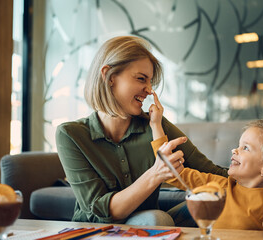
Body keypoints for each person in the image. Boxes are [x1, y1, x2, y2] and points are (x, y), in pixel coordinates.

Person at [55, 35, 228, 226]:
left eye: (150, 82)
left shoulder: (156, 125)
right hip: (96, 231)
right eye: (141, 79)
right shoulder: (71, 134)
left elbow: (213, 173)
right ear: (110, 77)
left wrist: (260, 176)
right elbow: (101, 211)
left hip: (148, 227)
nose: (149, 90)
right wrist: (156, 173)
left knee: (221, 199)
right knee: (156, 218)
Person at [151, 116, 263, 236]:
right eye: (238, 145)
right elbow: (172, 174)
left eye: (245, 148)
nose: (234, 150)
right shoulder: (219, 186)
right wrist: (156, 125)